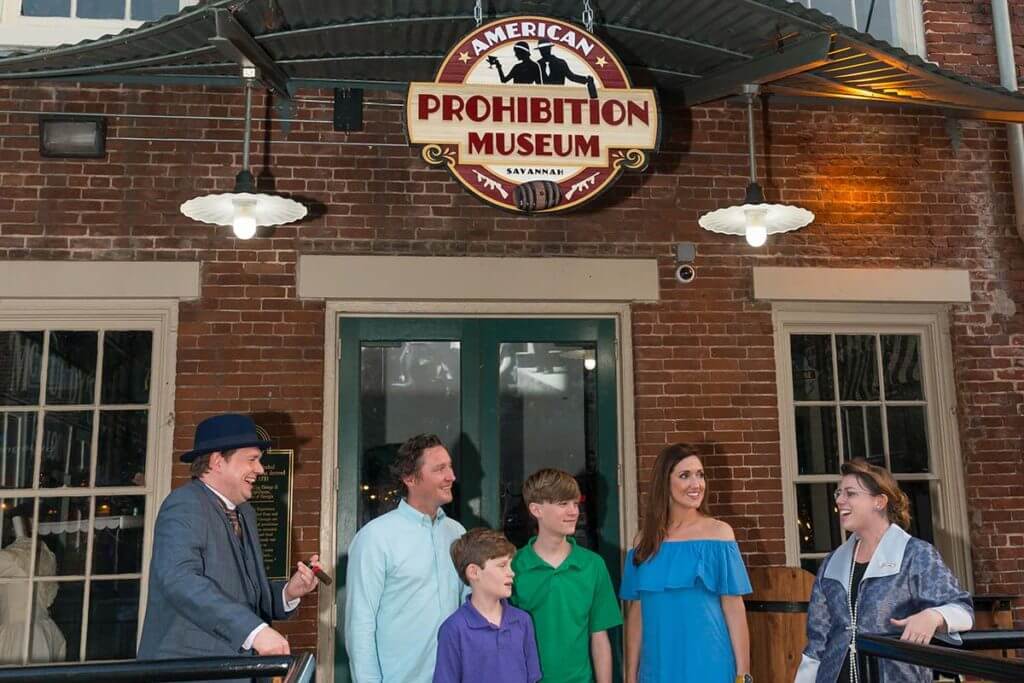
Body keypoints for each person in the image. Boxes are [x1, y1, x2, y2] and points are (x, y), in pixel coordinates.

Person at [137, 414, 320, 678]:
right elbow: (179, 580)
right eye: (252, 459)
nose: (260, 470)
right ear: (217, 461)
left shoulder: (246, 513)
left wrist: (289, 592)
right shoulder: (184, 505)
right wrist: (254, 632)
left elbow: (245, 595)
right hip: (192, 674)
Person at [796, 459, 974, 683]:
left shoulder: (915, 555)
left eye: (850, 493)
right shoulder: (832, 564)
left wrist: (933, 616)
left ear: (879, 501)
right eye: (838, 493)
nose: (840, 500)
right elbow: (817, 644)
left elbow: (963, 610)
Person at [621, 443, 752, 683]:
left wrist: (744, 675)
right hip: (657, 670)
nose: (696, 484)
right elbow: (637, 613)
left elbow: (734, 609)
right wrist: (630, 675)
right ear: (665, 482)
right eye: (685, 475)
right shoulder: (643, 541)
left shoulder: (720, 534)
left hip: (710, 666)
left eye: (700, 475)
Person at [345, 433, 466, 683]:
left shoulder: (457, 534)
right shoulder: (375, 538)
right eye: (440, 469)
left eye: (450, 466)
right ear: (410, 478)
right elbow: (360, 624)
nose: (451, 476)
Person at [510, 468, 621, 683]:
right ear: (536, 509)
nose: (574, 511)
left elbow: (599, 638)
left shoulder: (593, 565)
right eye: (563, 504)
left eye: (575, 503)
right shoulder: (513, 567)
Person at [433, 528, 542, 683]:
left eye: (510, 565)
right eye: (502, 565)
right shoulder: (453, 629)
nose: (511, 572)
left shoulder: (523, 621)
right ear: (474, 572)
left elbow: (532, 678)